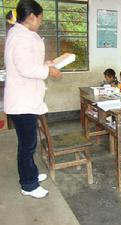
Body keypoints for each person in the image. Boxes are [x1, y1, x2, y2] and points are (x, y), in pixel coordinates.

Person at [4, 0, 61, 199]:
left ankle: (31, 174)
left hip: (27, 99)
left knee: (28, 143)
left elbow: (29, 62)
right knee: (28, 144)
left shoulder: (23, 33)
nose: (41, 22)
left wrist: (46, 63)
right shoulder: (20, 37)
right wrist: (48, 71)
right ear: (31, 17)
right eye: (40, 18)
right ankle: (28, 185)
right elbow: (25, 68)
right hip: (22, 102)